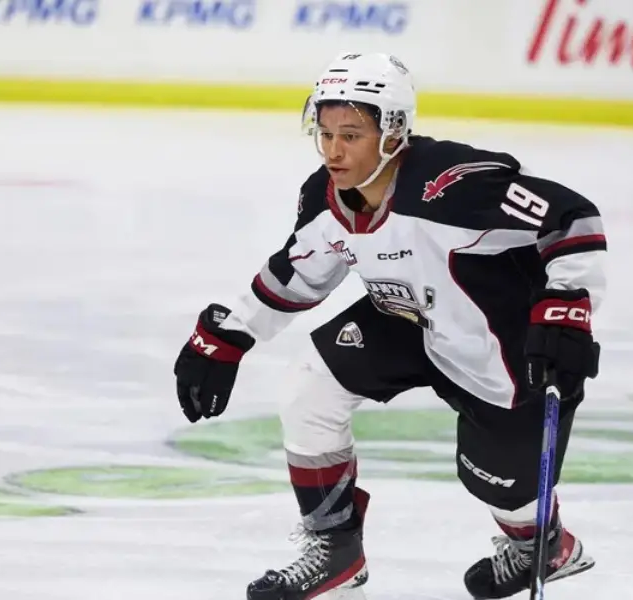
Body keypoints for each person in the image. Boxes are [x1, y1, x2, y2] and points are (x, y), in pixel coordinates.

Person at [172, 52, 607, 600]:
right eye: (326, 132)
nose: (333, 149)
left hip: (500, 347)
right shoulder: (324, 196)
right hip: (407, 323)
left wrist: (566, 309)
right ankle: (336, 549)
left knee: (498, 487)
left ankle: (544, 544)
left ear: (394, 132)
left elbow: (573, 219)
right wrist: (227, 337)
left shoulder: (453, 186)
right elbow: (299, 273)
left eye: (351, 134)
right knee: (311, 385)